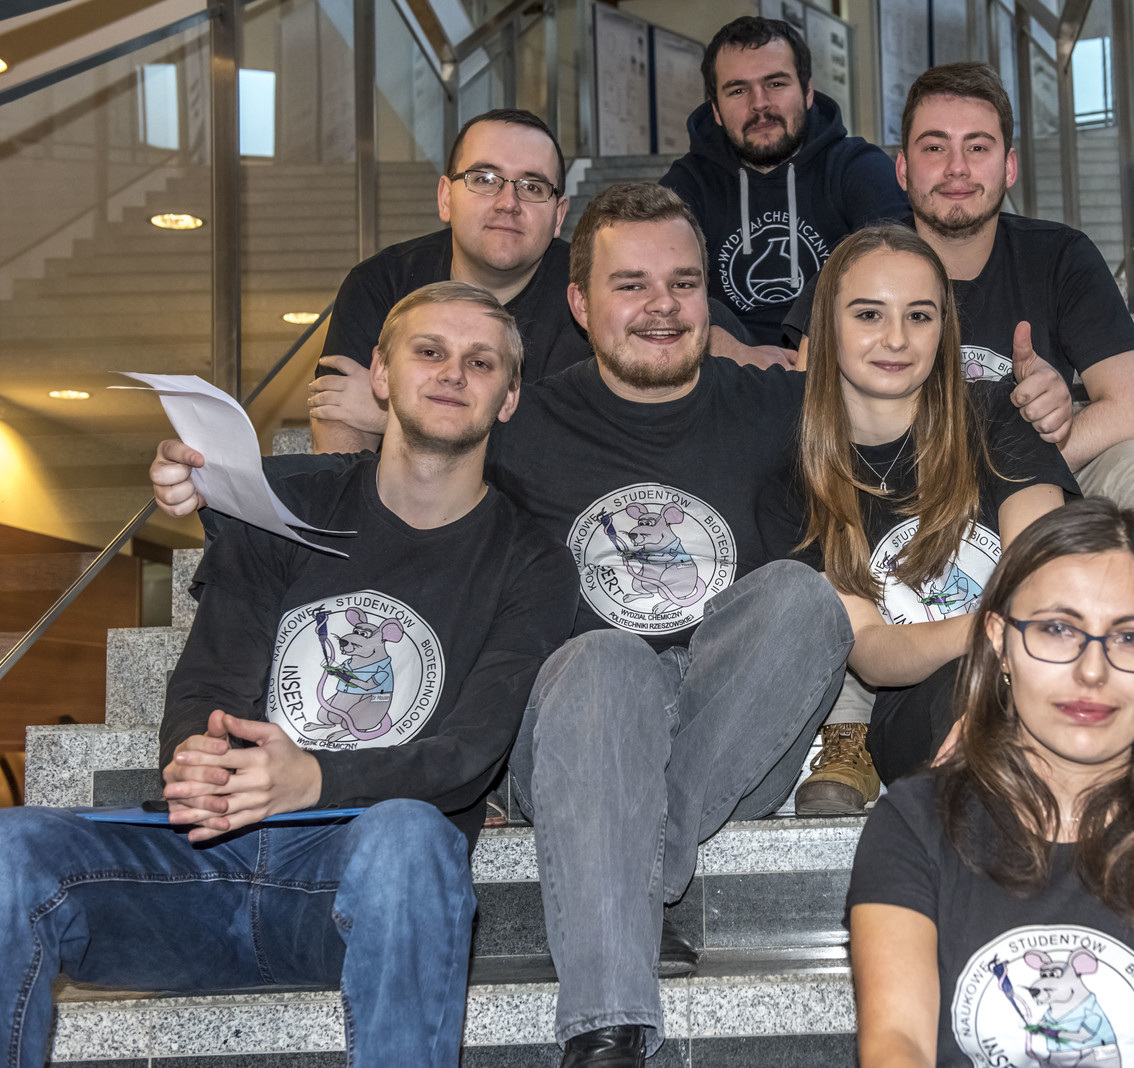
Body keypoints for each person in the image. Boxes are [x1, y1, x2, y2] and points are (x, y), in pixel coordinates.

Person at [152, 182, 853, 1068]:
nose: (662, 306)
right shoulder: (518, 418)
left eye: (683, 282)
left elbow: (904, 424)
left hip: (728, 728)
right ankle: (607, 1034)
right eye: (631, 284)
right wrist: (205, 488)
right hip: (571, 726)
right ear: (579, 303)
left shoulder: (775, 405)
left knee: (804, 598)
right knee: (605, 659)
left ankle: (628, 865)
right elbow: (385, 493)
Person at [2, 282, 578, 1067]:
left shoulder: (532, 562)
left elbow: (469, 753)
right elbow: (208, 680)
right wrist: (198, 756)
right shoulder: (284, 505)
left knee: (413, 836)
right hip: (202, 871)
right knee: (12, 846)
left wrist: (313, 779)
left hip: (356, 891)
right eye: (429, 351)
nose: (453, 373)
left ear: (508, 398)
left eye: (481, 363)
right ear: (381, 374)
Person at [848, 499, 1134, 1068]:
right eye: (1058, 630)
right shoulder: (914, 825)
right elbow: (897, 1045)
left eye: (1131, 638)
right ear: (999, 642)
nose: (1092, 670)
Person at [783, 62, 1134, 560]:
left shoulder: (1061, 256)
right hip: (892, 491)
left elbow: (1132, 408)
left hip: (1037, 481)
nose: (957, 167)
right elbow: (805, 408)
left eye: (977, 148)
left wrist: (1020, 461)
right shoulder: (858, 267)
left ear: (1009, 166)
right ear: (903, 169)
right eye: (935, 148)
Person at [761, 223, 1078, 816]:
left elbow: (1042, 577)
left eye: (919, 316)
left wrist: (1011, 648)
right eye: (869, 314)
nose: (896, 339)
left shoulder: (996, 417)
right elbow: (871, 649)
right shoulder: (795, 478)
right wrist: (987, 632)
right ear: (827, 326)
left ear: (944, 329)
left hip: (1033, 673)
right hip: (912, 704)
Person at [309, 108, 590, 453]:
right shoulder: (380, 285)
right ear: (446, 198)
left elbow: (580, 450)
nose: (508, 203)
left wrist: (395, 417)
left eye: (532, 187)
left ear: (558, 216)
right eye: (484, 179)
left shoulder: (593, 296)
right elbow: (340, 434)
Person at [660, 16, 907, 367]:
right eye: (738, 90)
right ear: (715, 109)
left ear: (807, 92)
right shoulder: (688, 185)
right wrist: (729, 350)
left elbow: (902, 263)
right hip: (727, 376)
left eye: (775, 83)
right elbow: (649, 290)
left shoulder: (857, 167)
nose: (759, 104)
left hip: (838, 363)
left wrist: (815, 344)